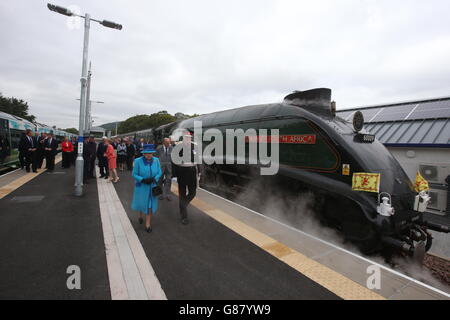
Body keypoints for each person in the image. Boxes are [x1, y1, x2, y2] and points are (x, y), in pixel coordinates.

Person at [131, 144, 162, 232]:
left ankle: (147, 224)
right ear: (143, 153)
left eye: (151, 153)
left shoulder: (156, 160)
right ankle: (140, 215)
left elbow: (159, 171)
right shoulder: (137, 161)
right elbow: (134, 174)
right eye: (147, 153)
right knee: (142, 203)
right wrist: (142, 180)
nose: (149, 155)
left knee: (149, 205)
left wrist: (154, 178)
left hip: (152, 186)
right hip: (142, 187)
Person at [172, 132, 200, 225]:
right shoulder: (178, 146)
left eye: (189, 137)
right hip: (182, 171)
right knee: (182, 193)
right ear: (183, 138)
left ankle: (183, 205)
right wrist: (174, 175)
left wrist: (199, 171)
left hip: (192, 171)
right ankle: (184, 216)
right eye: (186, 138)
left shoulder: (195, 146)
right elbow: (174, 160)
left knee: (193, 192)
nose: (188, 139)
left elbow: (198, 159)